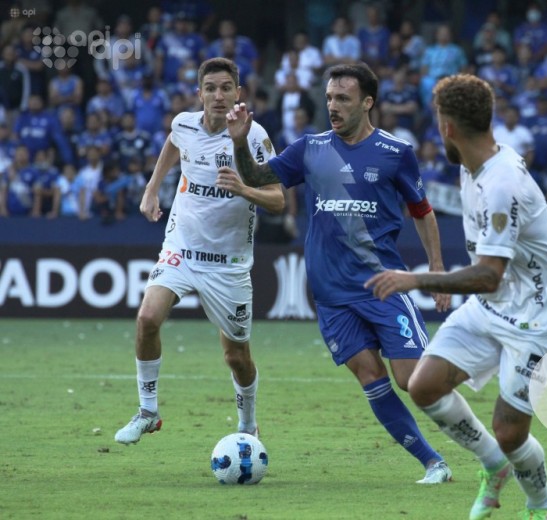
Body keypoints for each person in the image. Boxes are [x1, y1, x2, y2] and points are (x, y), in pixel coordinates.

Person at [224, 62, 453, 484]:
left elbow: (422, 211)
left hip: (383, 286)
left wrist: (436, 268)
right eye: (329, 98)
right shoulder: (309, 148)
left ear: (367, 103)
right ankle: (433, 462)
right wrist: (240, 144)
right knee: (371, 377)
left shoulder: (395, 153)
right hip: (331, 296)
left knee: (412, 380)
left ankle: (480, 439)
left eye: (343, 98)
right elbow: (258, 176)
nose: (333, 105)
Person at [366, 74, 547, 520]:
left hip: (537, 315)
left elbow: (488, 276)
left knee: (510, 430)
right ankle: (493, 466)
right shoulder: (471, 164)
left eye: (437, 120)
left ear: (447, 127)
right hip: (494, 306)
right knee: (424, 385)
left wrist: (417, 279)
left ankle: (542, 507)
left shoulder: (502, 184)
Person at [114, 57, 284, 445]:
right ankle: (148, 411)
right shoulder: (184, 123)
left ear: (238, 93)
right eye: (211, 88)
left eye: (226, 88)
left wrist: (243, 189)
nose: (218, 96)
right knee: (147, 318)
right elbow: (173, 144)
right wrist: (153, 187)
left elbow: (278, 201)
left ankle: (247, 424)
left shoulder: (254, 136)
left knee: (236, 356)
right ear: (200, 93)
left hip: (229, 263)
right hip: (182, 247)